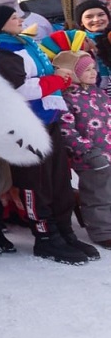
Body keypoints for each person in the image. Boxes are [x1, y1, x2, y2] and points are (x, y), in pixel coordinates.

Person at [0, 4, 100, 265]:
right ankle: (46, 237)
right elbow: (19, 89)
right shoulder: (0, 52)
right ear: (0, 25)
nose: (20, 19)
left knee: (59, 179)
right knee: (36, 182)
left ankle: (64, 232)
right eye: (13, 18)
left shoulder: (22, 43)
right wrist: (58, 80)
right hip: (26, 126)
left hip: (47, 118)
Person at [52, 51, 111, 249]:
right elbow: (67, 131)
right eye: (86, 70)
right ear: (74, 73)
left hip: (108, 150)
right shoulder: (68, 99)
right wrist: (88, 151)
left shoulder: (98, 93)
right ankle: (102, 232)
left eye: (94, 68)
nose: (93, 73)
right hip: (90, 157)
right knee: (97, 195)